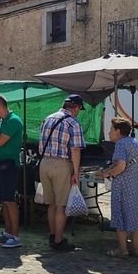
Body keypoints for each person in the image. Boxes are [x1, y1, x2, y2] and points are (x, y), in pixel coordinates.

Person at [38, 95, 85, 252]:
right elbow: (75, 150)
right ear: (76, 107)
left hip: (44, 163)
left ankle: (53, 236)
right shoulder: (73, 122)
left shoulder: (48, 118)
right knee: (62, 205)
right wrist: (76, 172)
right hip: (61, 164)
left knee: (51, 204)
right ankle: (58, 241)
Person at [102, 118, 138, 257]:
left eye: (111, 129)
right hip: (136, 184)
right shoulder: (136, 143)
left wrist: (108, 173)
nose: (109, 132)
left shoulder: (121, 144)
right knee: (134, 215)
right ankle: (135, 248)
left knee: (120, 215)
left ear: (117, 131)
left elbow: (121, 166)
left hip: (123, 185)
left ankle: (122, 249)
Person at [0, 95, 24, 248]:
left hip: (9, 165)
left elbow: (0, 141)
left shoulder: (13, 120)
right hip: (0, 164)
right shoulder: (3, 121)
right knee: (3, 200)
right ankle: (8, 233)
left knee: (10, 200)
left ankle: (15, 236)